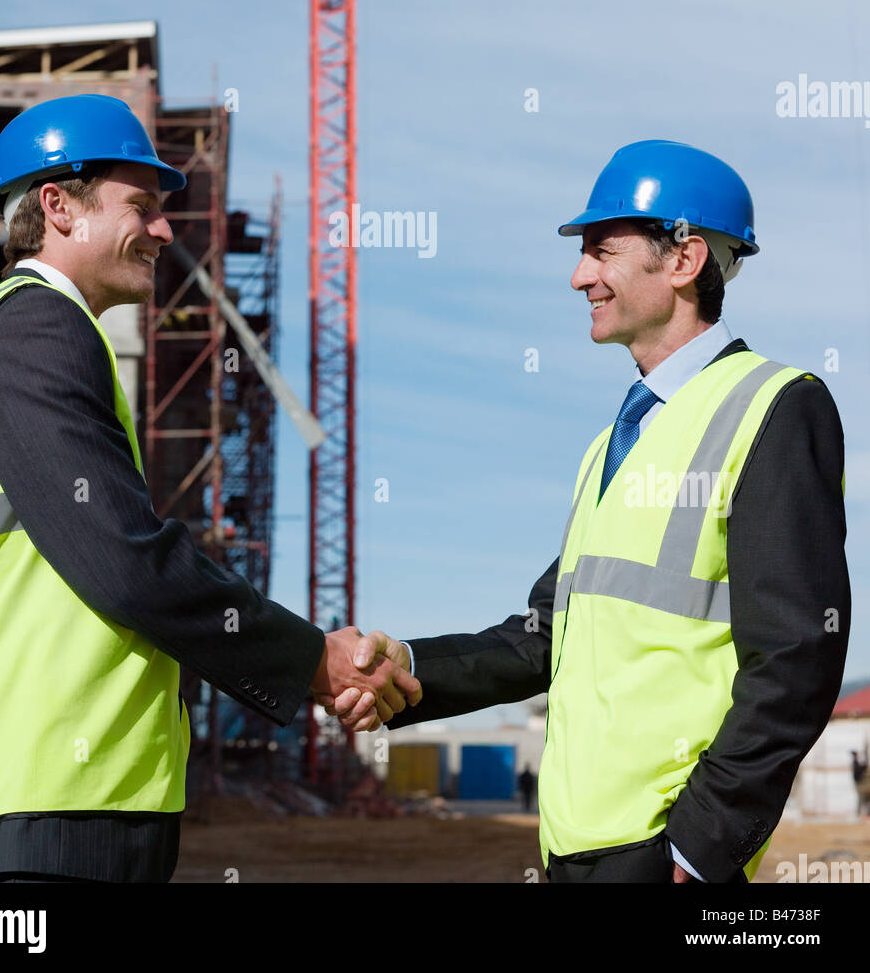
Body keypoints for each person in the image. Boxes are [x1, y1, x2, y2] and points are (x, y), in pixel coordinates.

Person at [0, 93, 420, 883]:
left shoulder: (16, 334)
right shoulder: (38, 329)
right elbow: (125, 559)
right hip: (50, 803)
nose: (165, 230)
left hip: (48, 792)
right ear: (58, 207)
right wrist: (313, 659)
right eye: (140, 206)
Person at [323, 140, 850, 884]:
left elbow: (797, 654)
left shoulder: (772, 406)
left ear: (682, 259)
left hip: (660, 848)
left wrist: (701, 850)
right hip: (572, 845)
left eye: (601, 251)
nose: (578, 277)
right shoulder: (614, 441)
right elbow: (544, 637)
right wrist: (407, 669)